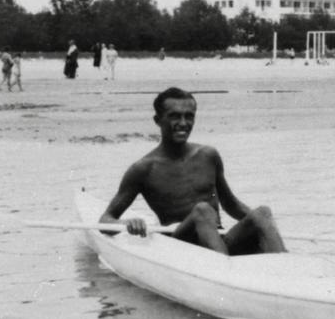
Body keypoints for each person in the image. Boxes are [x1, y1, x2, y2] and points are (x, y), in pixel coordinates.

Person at [99, 87, 287, 256]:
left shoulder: (208, 155)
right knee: (203, 210)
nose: (183, 123)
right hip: (180, 246)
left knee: (262, 212)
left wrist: (265, 226)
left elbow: (231, 204)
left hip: (217, 241)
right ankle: (225, 271)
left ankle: (288, 267)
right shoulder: (144, 168)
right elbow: (105, 220)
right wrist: (127, 224)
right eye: (174, 116)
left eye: (189, 116)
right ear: (158, 120)